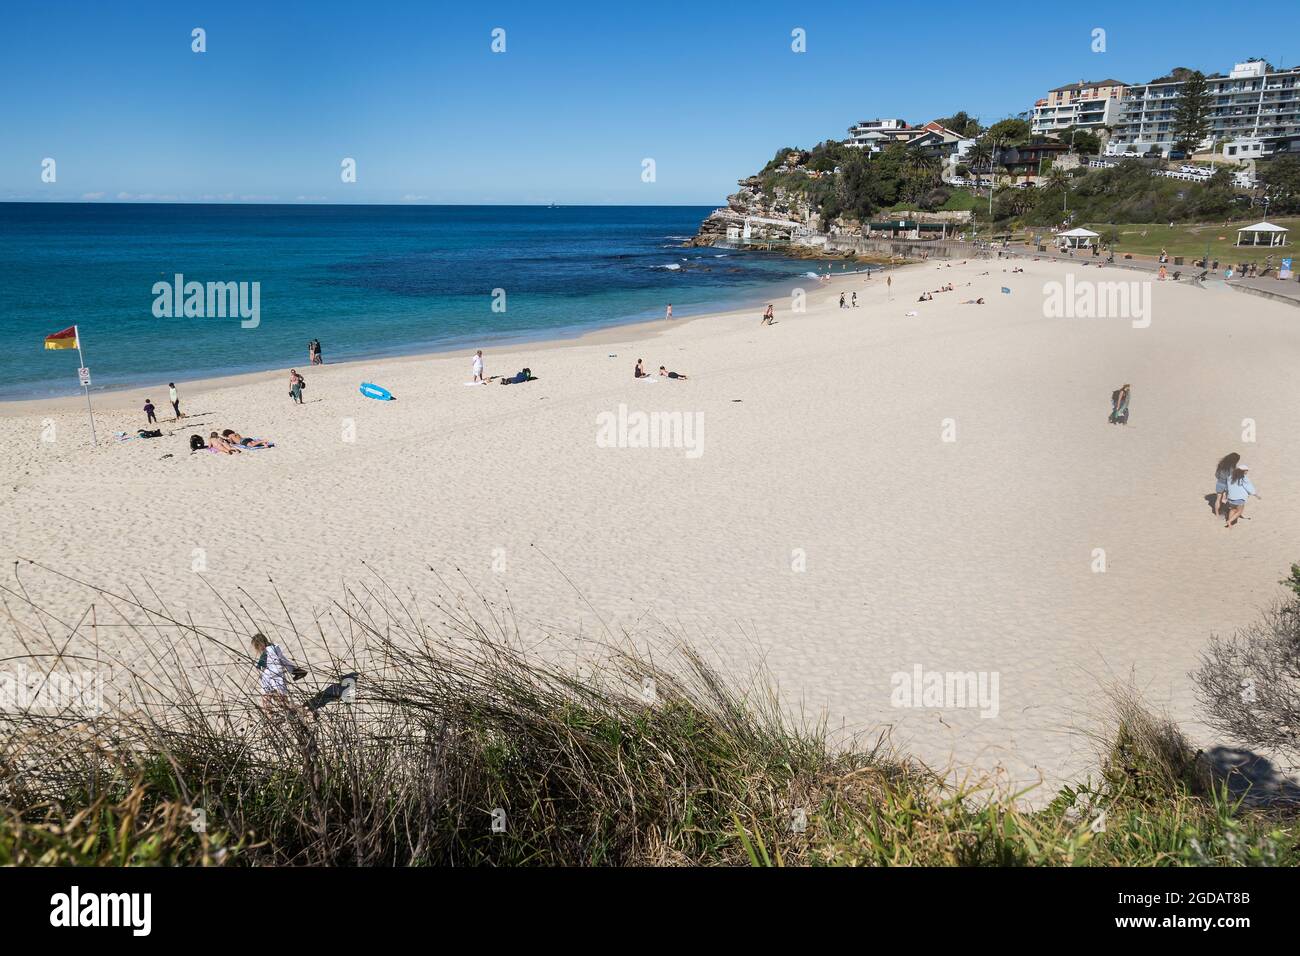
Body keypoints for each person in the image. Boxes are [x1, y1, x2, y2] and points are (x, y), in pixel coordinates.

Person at [251, 632, 306, 715]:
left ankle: (304, 711)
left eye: (257, 647)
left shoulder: (271, 650)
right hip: (267, 679)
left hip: (276, 678)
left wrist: (293, 670)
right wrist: (293, 669)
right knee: (267, 701)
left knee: (283, 702)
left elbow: (281, 661)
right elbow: (282, 661)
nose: (258, 650)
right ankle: (271, 715)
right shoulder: (268, 651)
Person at [1224, 464, 1260, 529]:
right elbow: (1249, 487)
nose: (1247, 472)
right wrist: (1255, 494)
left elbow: (1227, 487)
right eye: (1246, 470)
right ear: (1243, 471)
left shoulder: (1230, 477)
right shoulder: (1243, 478)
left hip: (1231, 497)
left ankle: (1230, 523)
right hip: (1239, 498)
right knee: (1239, 511)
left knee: (1233, 509)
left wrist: (1226, 495)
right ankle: (1229, 521)